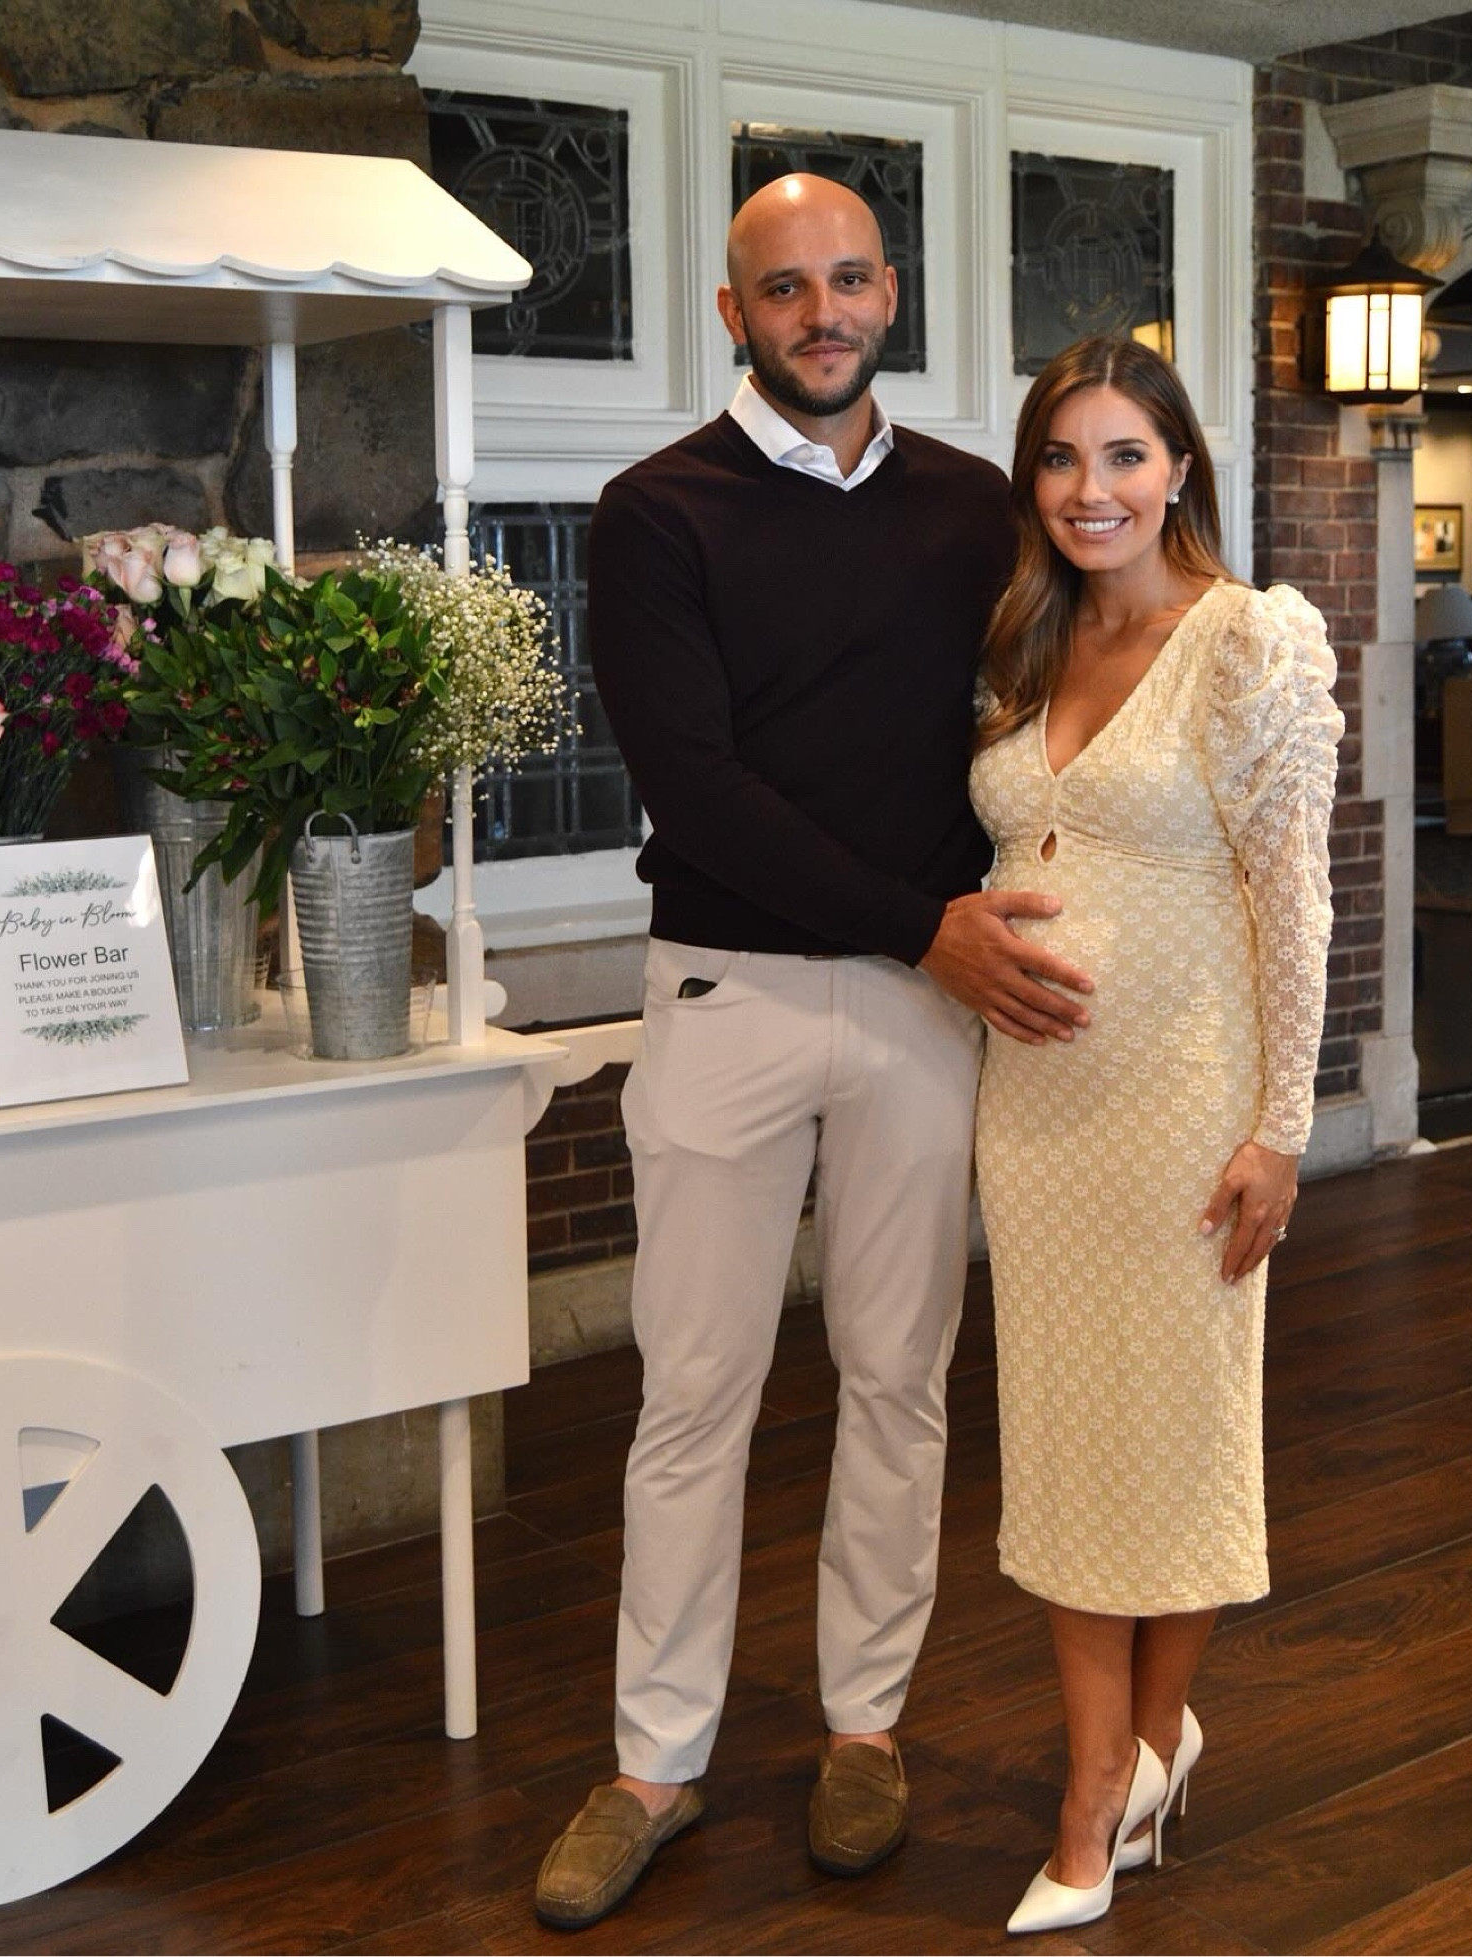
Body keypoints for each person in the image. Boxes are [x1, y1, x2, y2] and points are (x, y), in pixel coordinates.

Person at [532, 174, 1096, 1932]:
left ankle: (868, 1724)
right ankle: (654, 1760)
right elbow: (698, 788)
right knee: (691, 1391)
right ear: (735, 315)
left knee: (898, 1378)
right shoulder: (656, 512)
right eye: (787, 289)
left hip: (933, 1003)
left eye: (850, 279)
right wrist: (923, 918)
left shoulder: (978, 511)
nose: (824, 310)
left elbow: (1051, 717)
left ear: (889, 291)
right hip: (732, 990)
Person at [969, 335, 1342, 1935]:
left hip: (1187, 1112)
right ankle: (1112, 1757)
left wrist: (1282, 1129)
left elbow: (1298, 901)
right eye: (1061, 460)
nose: (1091, 490)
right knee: (1059, 1438)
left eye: (1123, 455)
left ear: (1180, 464)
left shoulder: (1247, 642)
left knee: (1177, 1438)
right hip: (1037, 1117)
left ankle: (1116, 1776)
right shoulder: (1024, 639)